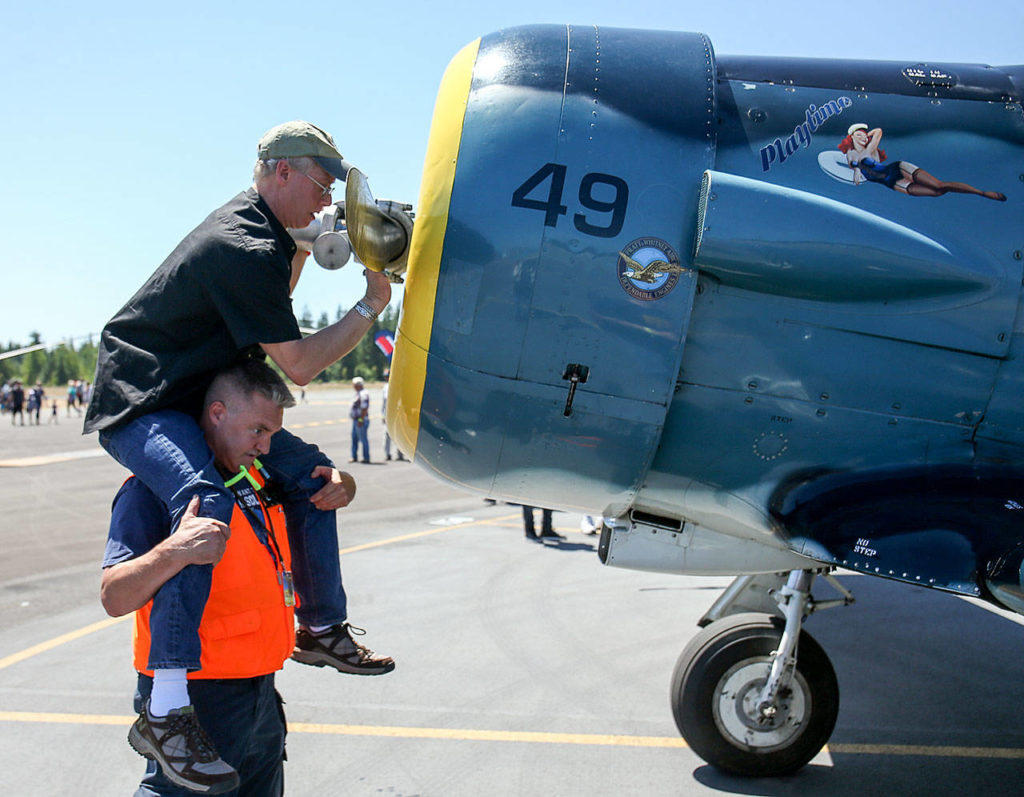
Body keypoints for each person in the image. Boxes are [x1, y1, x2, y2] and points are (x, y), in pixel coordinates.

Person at [84, 120, 394, 679]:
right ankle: (169, 697)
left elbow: (267, 315)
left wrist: (303, 247)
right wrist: (373, 302)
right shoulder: (242, 244)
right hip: (145, 402)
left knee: (313, 478)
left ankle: (321, 629)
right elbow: (296, 365)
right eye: (323, 186)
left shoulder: (267, 239)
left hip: (198, 397)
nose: (328, 201)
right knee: (205, 502)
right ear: (283, 172)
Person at [103, 361, 334, 794]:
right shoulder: (153, 491)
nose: (265, 446)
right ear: (217, 413)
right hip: (198, 696)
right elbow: (114, 596)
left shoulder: (255, 480)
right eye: (258, 430)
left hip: (261, 690)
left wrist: (343, 483)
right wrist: (174, 552)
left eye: (272, 435)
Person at [839, 123, 1006, 200]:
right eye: (858, 135)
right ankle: (972, 193)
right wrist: (856, 170)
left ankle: (981, 193)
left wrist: (868, 135)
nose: (862, 137)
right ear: (851, 137)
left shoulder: (871, 150)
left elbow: (879, 131)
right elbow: (852, 162)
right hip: (891, 183)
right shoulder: (852, 153)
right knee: (936, 193)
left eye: (864, 134)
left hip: (897, 170)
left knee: (939, 185)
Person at [381, 369, 406, 462]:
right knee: (386, 435)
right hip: (387, 414)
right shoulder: (385, 387)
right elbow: (384, 403)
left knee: (398, 434)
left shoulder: (398, 386)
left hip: (397, 415)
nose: (387, 378)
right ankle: (387, 454)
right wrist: (382, 415)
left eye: (388, 376)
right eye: (386, 377)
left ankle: (400, 453)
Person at [350, 376, 371, 463]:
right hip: (356, 420)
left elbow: (364, 408)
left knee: (363, 439)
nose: (353, 387)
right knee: (354, 439)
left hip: (360, 420)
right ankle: (354, 456)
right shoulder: (358, 393)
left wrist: (361, 420)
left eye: (354, 385)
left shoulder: (363, 394)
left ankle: (366, 457)